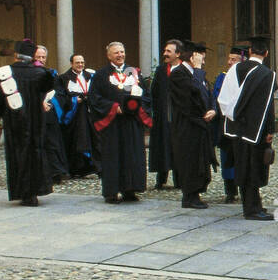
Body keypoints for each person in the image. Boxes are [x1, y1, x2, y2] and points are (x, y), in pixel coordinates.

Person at [0, 39, 57, 206]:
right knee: (35, 153)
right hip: (36, 121)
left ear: (15, 55)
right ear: (32, 56)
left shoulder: (5, 74)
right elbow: (48, 89)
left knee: (17, 154)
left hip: (14, 121)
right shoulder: (40, 73)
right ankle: (35, 191)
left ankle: (22, 192)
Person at [88, 41, 152, 204]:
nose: (120, 55)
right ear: (109, 55)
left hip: (131, 123)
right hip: (113, 124)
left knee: (132, 155)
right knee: (113, 156)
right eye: (116, 52)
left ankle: (130, 190)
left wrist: (137, 107)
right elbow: (95, 98)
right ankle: (111, 192)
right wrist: (113, 107)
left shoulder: (134, 73)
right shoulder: (101, 75)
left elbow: (145, 96)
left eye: (122, 52)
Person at [220, 36, 276, 220]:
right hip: (256, 130)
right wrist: (270, 130)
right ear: (266, 53)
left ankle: (253, 204)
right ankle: (252, 209)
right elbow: (267, 106)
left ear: (250, 52)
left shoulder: (235, 68)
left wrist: (233, 116)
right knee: (254, 168)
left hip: (236, 127)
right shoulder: (267, 74)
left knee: (242, 166)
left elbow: (224, 98)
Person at [168, 41, 219, 209]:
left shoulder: (198, 74)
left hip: (201, 124)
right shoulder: (179, 74)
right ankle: (189, 196)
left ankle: (196, 193)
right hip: (187, 126)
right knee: (189, 160)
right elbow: (193, 94)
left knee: (200, 161)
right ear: (192, 57)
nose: (203, 61)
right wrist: (197, 70)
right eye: (200, 58)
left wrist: (212, 109)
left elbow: (208, 92)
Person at [212, 46, 246, 202]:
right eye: (229, 59)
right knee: (227, 158)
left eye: (233, 59)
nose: (229, 62)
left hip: (243, 126)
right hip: (226, 124)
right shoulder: (222, 77)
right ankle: (230, 191)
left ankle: (245, 189)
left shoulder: (247, 76)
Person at [149, 39, 183, 189]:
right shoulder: (161, 70)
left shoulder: (185, 70)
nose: (165, 54)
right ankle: (161, 179)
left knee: (178, 147)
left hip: (179, 118)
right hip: (163, 117)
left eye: (169, 51)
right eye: (165, 51)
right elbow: (154, 93)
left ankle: (180, 180)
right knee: (163, 146)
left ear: (178, 54)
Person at [32, 45, 69, 183]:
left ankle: (56, 171)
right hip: (35, 114)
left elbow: (60, 93)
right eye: (38, 57)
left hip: (50, 114)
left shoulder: (51, 74)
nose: (41, 60)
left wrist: (51, 104)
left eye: (43, 57)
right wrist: (39, 103)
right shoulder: (29, 75)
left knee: (53, 143)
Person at [58, 53, 99, 177]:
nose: (80, 65)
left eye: (82, 62)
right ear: (71, 64)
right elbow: (62, 97)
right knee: (76, 140)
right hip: (74, 115)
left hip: (89, 113)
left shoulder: (90, 76)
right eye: (77, 63)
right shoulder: (64, 78)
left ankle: (93, 166)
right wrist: (75, 100)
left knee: (93, 139)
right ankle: (75, 168)